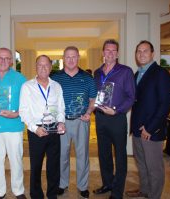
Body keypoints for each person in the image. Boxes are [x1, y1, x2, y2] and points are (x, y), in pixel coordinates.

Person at [126, 40, 170, 199]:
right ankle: (144, 190)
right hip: (138, 128)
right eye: (139, 51)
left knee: (154, 167)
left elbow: (165, 104)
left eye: (145, 51)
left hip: (152, 130)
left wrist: (151, 128)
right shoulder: (137, 73)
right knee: (142, 164)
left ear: (152, 53)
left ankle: (154, 195)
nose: (141, 54)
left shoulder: (161, 73)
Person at [51, 46, 97, 198]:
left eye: (74, 57)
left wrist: (89, 112)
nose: (71, 60)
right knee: (62, 155)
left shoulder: (88, 78)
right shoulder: (55, 77)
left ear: (78, 58)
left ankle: (82, 186)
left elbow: (92, 100)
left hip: (81, 122)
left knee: (82, 155)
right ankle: (62, 184)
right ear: (63, 58)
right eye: (68, 57)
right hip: (61, 122)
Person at [93, 39, 135, 199]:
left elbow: (131, 97)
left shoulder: (125, 71)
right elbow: (95, 95)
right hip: (100, 118)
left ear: (117, 53)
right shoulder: (97, 73)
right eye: (107, 50)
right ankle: (107, 184)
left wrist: (116, 110)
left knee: (120, 155)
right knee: (103, 154)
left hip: (117, 119)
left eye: (113, 51)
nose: (110, 53)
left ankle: (117, 192)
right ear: (103, 53)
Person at [0, 47, 27, 199]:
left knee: (16, 161)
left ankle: (18, 191)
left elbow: (27, 103)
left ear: (12, 62)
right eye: (0, 58)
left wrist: (16, 114)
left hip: (14, 126)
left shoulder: (20, 78)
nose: (3, 61)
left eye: (7, 58)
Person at [19, 55, 66, 199]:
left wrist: (61, 122)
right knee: (36, 166)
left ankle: (52, 195)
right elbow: (23, 111)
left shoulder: (57, 86)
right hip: (36, 130)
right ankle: (36, 195)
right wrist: (34, 128)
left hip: (53, 129)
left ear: (51, 67)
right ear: (36, 66)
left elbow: (61, 108)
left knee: (53, 166)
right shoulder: (27, 86)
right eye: (40, 65)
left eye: (46, 65)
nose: (43, 68)